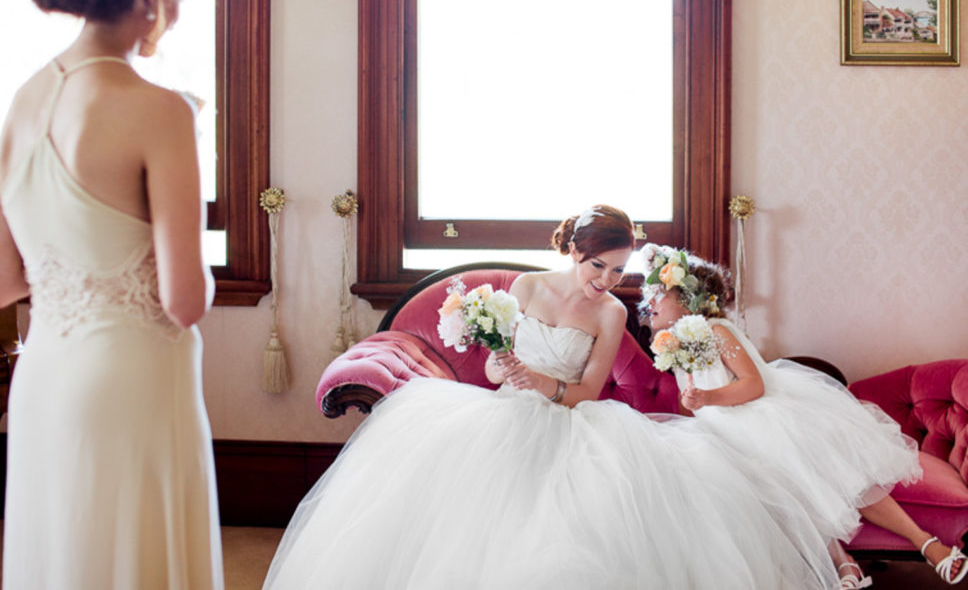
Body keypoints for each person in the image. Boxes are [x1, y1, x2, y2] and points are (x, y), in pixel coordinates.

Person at [263, 205, 839, 589]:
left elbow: (588, 391)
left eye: (617, 270)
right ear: (575, 252)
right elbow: (494, 369)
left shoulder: (612, 313)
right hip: (503, 412)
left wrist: (544, 384)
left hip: (571, 419)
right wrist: (500, 363)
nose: (607, 281)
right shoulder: (528, 287)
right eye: (598, 266)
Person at [0, 0, 222, 587]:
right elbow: (185, 299)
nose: (178, 11)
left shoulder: (21, 101)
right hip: (129, 381)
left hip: (47, 374)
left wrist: (77, 278)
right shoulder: (162, 109)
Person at [642, 243, 968, 588]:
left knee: (823, 472)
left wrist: (707, 397)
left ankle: (927, 543)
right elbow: (692, 402)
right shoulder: (672, 346)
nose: (650, 303)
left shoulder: (718, 331)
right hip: (720, 431)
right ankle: (844, 563)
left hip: (757, 416)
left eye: (659, 294)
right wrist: (693, 404)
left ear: (688, 297)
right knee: (770, 488)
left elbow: (753, 385)